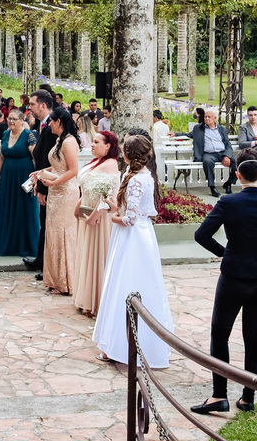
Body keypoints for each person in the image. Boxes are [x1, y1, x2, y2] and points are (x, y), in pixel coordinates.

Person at [191, 150, 257, 414]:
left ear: (237, 175)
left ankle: (219, 395)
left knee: (220, 333)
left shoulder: (228, 203)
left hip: (235, 278)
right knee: (253, 335)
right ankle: (248, 397)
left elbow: (201, 234)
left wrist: (223, 251)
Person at [93, 135, 174, 365]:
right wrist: (115, 206)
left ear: (128, 154)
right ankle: (143, 344)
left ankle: (119, 346)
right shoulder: (146, 175)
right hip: (143, 233)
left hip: (132, 237)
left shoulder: (137, 179)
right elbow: (135, 210)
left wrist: (113, 218)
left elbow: (129, 219)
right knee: (144, 285)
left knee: (124, 283)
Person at [32, 106, 80, 295]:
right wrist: (41, 173)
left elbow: (73, 171)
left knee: (63, 233)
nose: (49, 124)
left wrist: (52, 182)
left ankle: (67, 280)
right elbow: (58, 166)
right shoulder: (60, 140)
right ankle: (55, 278)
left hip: (66, 192)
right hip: (56, 192)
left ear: (58, 121)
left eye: (51, 121)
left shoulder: (69, 142)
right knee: (52, 233)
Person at [74, 131, 120, 317]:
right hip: (87, 211)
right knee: (86, 253)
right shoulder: (95, 162)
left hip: (99, 218)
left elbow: (111, 198)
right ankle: (86, 295)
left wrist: (96, 213)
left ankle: (97, 299)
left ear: (108, 146)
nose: (92, 145)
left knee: (97, 255)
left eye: (96, 142)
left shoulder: (110, 165)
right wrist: (78, 206)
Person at [0, 109, 40, 258]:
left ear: (21, 119)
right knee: (6, 206)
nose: (10, 121)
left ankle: (23, 244)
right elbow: (1, 157)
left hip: (23, 175)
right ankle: (6, 242)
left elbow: (35, 157)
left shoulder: (28, 135)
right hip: (7, 175)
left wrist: (36, 178)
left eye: (14, 119)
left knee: (23, 207)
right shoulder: (5, 134)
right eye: (9, 119)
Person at [25, 89, 57, 277]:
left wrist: (43, 187)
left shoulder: (52, 127)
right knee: (43, 223)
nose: (29, 108)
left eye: (32, 104)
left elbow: (50, 161)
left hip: (51, 183)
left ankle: (46, 265)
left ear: (43, 105)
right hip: (43, 179)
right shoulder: (43, 125)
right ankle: (41, 259)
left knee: (47, 224)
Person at [189, 108, 234, 197]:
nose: (206, 119)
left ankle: (229, 183)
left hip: (222, 153)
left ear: (215, 118)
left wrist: (227, 156)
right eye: (205, 117)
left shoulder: (221, 129)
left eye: (209, 117)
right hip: (209, 154)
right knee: (207, 161)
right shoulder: (199, 128)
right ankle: (212, 187)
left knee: (236, 162)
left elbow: (228, 145)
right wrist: (175, 134)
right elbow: (189, 134)